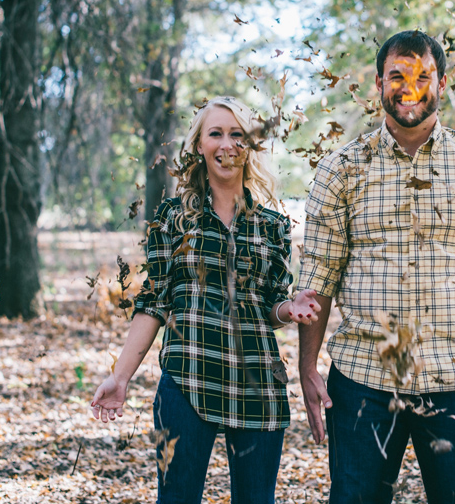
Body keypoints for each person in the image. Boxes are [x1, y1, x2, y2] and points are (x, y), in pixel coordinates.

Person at [297, 31, 455, 504]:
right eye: (397, 76)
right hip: (365, 380)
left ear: (442, 83)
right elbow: (319, 274)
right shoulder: (341, 169)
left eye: (422, 76)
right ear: (378, 83)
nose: (409, 88)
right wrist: (308, 365)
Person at [91, 96, 321, 504]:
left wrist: (290, 308)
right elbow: (155, 302)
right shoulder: (172, 217)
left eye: (237, 135)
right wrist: (120, 377)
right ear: (199, 145)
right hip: (187, 380)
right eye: (216, 134)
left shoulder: (272, 226)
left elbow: (271, 305)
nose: (227, 144)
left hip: (257, 387)